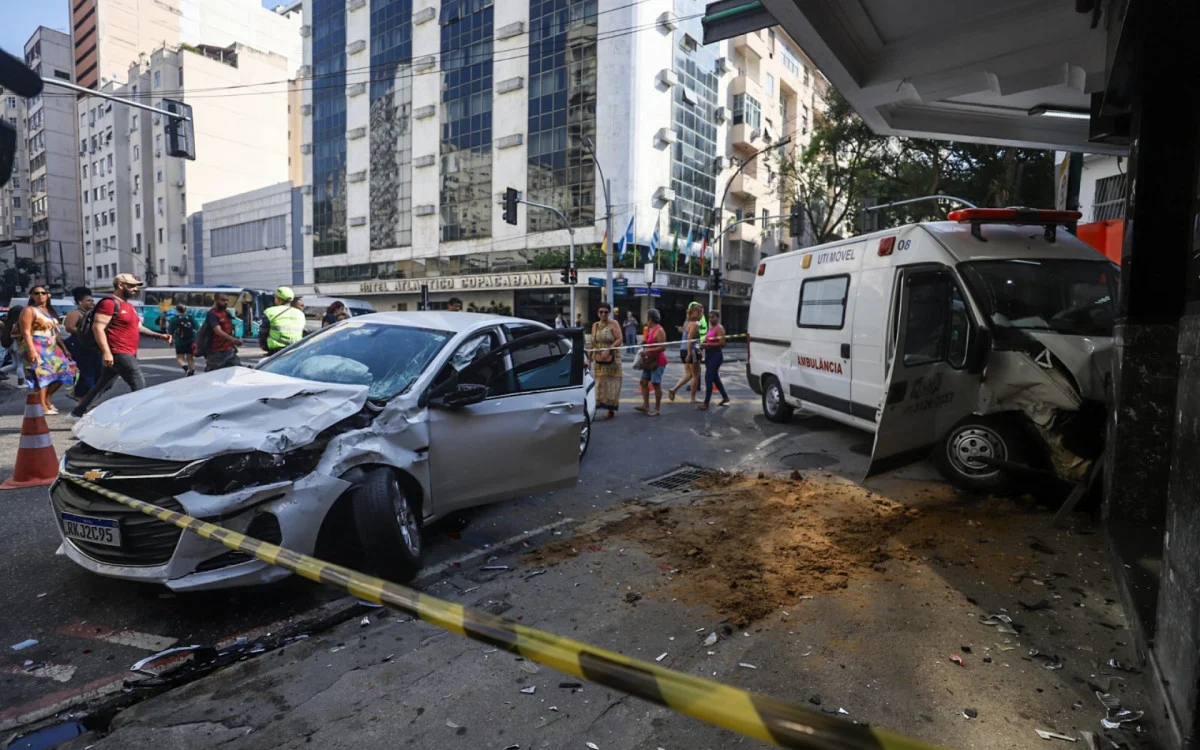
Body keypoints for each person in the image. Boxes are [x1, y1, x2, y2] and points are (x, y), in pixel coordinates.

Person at [71, 274, 172, 419]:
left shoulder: (129, 306)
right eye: (131, 286)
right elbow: (98, 328)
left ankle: (77, 413)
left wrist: (159, 335)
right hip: (118, 351)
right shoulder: (109, 303)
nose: (135, 289)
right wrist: (106, 352)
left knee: (103, 385)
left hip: (127, 351)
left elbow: (138, 327)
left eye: (136, 286)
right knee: (138, 383)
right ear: (120, 285)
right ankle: (139, 418)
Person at [19, 286, 77, 415]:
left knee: (65, 371)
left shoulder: (50, 310)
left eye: (43, 293)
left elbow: (55, 332)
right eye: (36, 293)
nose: (40, 295)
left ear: (48, 295)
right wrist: (32, 350)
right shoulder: (29, 310)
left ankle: (47, 399)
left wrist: (63, 348)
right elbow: (26, 332)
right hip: (36, 344)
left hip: (52, 345)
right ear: (31, 295)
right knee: (43, 375)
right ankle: (42, 405)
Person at [63, 286, 101, 398]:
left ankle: (81, 394)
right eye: (88, 300)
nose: (92, 302)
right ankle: (83, 397)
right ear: (80, 302)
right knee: (86, 372)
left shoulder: (91, 313)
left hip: (91, 346)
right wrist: (86, 332)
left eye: (92, 300)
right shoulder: (75, 313)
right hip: (79, 345)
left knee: (97, 371)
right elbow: (69, 327)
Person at [589, 303, 623, 420]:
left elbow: (619, 339)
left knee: (611, 384)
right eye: (601, 312)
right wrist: (588, 359)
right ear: (598, 313)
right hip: (599, 359)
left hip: (612, 359)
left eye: (606, 312)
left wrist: (609, 349)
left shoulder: (614, 324)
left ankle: (610, 409)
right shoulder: (595, 325)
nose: (603, 314)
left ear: (609, 313)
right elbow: (592, 343)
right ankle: (596, 408)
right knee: (599, 383)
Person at [667, 303, 704, 403]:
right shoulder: (695, 324)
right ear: (696, 314)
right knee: (696, 375)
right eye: (701, 313)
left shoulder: (687, 323)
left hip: (683, 349)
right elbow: (690, 339)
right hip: (690, 350)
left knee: (689, 374)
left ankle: (673, 389)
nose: (702, 315)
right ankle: (693, 398)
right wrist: (689, 353)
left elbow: (686, 335)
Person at [635, 308, 668, 416]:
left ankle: (657, 408)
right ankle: (646, 405)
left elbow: (662, 347)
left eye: (647, 318)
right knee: (643, 382)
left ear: (650, 318)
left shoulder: (659, 330)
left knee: (656, 384)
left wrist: (648, 351)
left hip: (658, 361)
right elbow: (651, 342)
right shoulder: (651, 329)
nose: (646, 320)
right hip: (649, 361)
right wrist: (645, 343)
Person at [258, 286, 305, 354]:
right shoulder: (300, 314)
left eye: (275, 297)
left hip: (277, 352)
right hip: (296, 350)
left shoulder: (270, 312)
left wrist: (265, 347)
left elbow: (263, 332)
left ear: (278, 299)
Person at [698, 310, 730, 410]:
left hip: (716, 355)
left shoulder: (719, 328)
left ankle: (706, 403)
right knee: (715, 379)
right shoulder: (711, 328)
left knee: (708, 378)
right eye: (709, 317)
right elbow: (708, 340)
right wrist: (703, 345)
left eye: (713, 317)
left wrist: (708, 345)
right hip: (709, 355)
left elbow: (722, 344)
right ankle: (725, 397)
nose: (711, 319)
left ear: (718, 318)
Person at [205, 293, 242, 371]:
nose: (225, 302)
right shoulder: (212, 314)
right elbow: (218, 331)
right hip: (216, 352)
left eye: (227, 300)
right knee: (213, 374)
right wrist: (233, 340)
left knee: (237, 370)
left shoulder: (226, 313)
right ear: (216, 300)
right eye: (223, 300)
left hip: (229, 350)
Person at [167, 304, 197, 376]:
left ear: (177, 310)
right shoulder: (191, 318)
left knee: (180, 357)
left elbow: (170, 332)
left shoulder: (174, 319)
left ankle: (187, 370)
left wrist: (170, 341)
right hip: (191, 340)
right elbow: (197, 328)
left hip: (180, 341)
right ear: (185, 310)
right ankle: (192, 372)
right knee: (190, 357)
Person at [0, 305, 26, 387]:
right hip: (17, 346)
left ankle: (1, 371)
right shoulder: (19, 323)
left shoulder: (8, 323)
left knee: (15, 364)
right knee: (20, 364)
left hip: (11, 346)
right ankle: (21, 383)